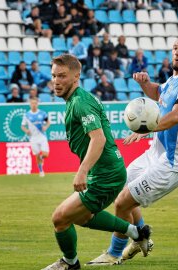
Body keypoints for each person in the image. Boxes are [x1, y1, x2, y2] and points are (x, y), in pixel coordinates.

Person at [87, 34, 178, 265]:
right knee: (120, 187)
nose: (177, 52)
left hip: (171, 163)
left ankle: (114, 253)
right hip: (153, 155)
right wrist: (144, 84)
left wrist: (146, 128)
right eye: (175, 48)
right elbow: (158, 94)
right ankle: (142, 236)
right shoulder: (172, 81)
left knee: (122, 203)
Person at [42, 54, 151, 270]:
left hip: (105, 174)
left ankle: (70, 263)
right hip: (106, 171)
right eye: (54, 75)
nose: (56, 81)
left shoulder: (81, 102)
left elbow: (98, 139)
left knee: (60, 219)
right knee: (82, 217)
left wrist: (82, 171)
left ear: (76, 76)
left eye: (62, 76)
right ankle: (137, 233)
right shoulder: (76, 99)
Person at [21, 97, 50, 177]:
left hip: (42, 136)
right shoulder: (27, 115)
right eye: (32, 103)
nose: (34, 105)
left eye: (35, 103)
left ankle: (42, 157)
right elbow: (22, 126)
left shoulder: (42, 113)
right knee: (36, 155)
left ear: (37, 104)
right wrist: (26, 130)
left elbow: (48, 122)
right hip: (33, 138)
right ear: (30, 104)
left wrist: (45, 127)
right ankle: (41, 171)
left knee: (46, 154)